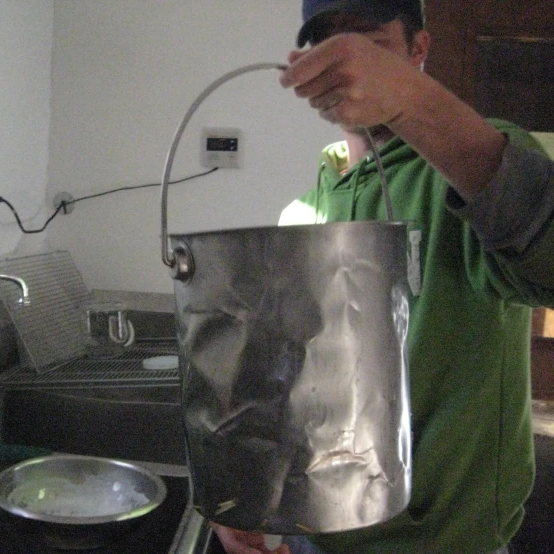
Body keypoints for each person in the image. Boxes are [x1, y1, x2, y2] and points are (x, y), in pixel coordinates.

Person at [211, 0, 554, 552]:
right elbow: (279, 385)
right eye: (330, 49)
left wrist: (410, 101)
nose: (350, 68)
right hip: (309, 535)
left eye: (372, 46)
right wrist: (245, 496)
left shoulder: (471, 169)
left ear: (419, 50)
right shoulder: (304, 213)